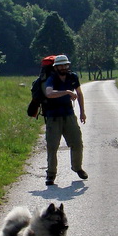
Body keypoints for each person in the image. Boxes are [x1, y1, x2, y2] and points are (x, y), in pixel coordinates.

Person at [43, 54, 87, 186]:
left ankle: (77, 168)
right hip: (53, 117)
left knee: (77, 142)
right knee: (52, 146)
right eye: (61, 65)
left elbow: (79, 94)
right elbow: (49, 94)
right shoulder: (52, 78)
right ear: (56, 67)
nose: (64, 67)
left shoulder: (73, 77)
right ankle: (51, 175)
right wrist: (67, 91)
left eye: (65, 65)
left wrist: (82, 112)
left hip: (69, 115)